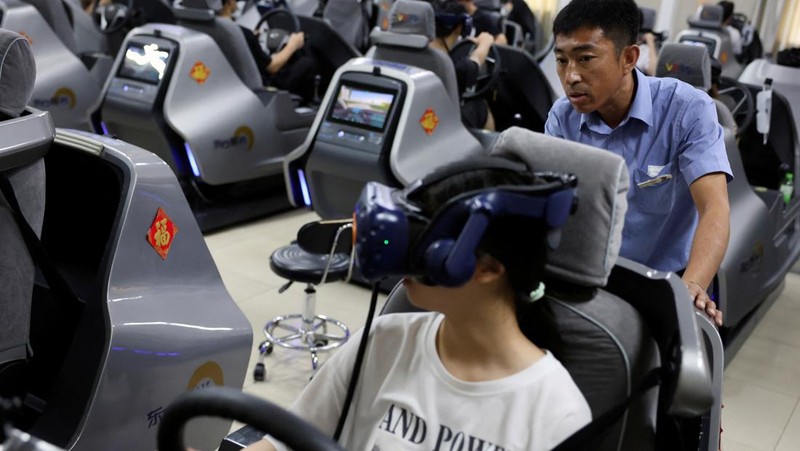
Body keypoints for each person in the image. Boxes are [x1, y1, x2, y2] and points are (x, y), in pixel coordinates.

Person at [243, 158, 591, 451]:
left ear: (487, 269)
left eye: (425, 244)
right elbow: (281, 445)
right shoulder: (384, 342)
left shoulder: (556, 412)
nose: (404, 261)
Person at [545, 0, 729, 326]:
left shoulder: (687, 110)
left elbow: (715, 208)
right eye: (561, 60)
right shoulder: (563, 117)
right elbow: (549, 201)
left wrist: (694, 287)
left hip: (665, 279)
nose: (570, 76)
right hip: (591, 275)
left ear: (629, 58)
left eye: (585, 59)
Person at [218, 0, 316, 103]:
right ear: (230, 2)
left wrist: (252, 40)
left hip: (231, 84)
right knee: (307, 63)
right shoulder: (241, 33)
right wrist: (293, 44)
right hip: (259, 90)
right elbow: (272, 67)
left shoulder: (213, 28)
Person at [430, 0, 496, 130]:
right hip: (440, 125)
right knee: (479, 105)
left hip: (423, 118)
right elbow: (475, 62)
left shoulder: (414, 53)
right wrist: (485, 42)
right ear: (460, 27)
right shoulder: (454, 69)